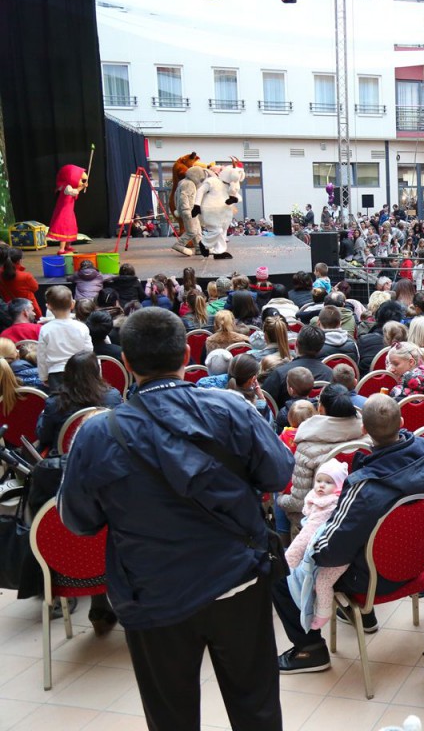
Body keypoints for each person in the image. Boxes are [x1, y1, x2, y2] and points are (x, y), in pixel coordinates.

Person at [59, 307, 293, 730]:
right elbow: (278, 474)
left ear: (126, 363)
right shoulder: (231, 409)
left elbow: (78, 521)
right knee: (256, 705)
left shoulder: (95, 433)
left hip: (152, 593)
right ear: (187, 354)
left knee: (170, 717)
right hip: (236, 580)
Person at [274, 394, 424, 664]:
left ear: (364, 430)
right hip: (420, 560)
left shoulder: (364, 486)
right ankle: (359, 616)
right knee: (357, 539)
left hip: (377, 577)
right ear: (401, 422)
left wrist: (308, 549)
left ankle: (310, 651)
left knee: (281, 572)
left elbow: (332, 551)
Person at [277, 383, 371, 532]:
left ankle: (283, 541)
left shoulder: (307, 446)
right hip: (358, 512)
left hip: (318, 520)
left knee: (278, 491)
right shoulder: (368, 438)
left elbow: (298, 503)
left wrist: (279, 499)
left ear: (320, 408)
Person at [282, 460, 350, 631]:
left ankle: (323, 613)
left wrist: (290, 557)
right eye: (319, 480)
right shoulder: (318, 498)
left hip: (340, 553)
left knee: (323, 582)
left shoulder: (329, 504)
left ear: (339, 485)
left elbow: (308, 532)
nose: (321, 485)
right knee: (315, 577)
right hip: (331, 548)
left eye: (328, 482)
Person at [36, 351, 123, 452]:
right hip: (104, 453)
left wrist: (42, 415)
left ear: (67, 373)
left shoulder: (55, 402)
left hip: (65, 456)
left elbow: (44, 436)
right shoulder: (113, 397)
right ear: (97, 371)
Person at [260, 326, 333, 407]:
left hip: (286, 414)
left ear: (296, 344)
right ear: (320, 349)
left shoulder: (280, 374)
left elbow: (264, 402)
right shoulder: (330, 374)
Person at [37, 285, 92, 389]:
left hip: (55, 374)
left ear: (48, 306)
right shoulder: (82, 327)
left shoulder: (45, 329)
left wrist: (43, 376)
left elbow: (42, 355)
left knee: (59, 398)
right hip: (79, 371)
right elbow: (89, 351)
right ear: (73, 304)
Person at [48, 163, 88, 254]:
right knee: (64, 229)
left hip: (69, 211)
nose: (81, 181)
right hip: (64, 211)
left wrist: (82, 184)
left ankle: (67, 246)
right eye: (80, 179)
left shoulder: (70, 186)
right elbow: (72, 192)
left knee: (71, 227)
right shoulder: (66, 186)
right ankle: (61, 249)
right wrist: (81, 187)